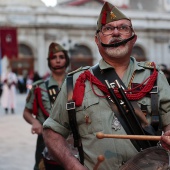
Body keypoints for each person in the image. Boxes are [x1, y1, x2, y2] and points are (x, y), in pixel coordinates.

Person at [43, 2, 170, 170]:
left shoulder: (154, 78)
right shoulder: (76, 81)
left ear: (134, 38)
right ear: (97, 40)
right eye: (108, 29)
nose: (116, 32)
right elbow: (52, 130)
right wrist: (73, 166)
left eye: (123, 28)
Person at [23, 42, 70, 170]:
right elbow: (26, 112)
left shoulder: (75, 84)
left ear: (66, 60)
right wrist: (34, 122)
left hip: (71, 140)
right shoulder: (39, 87)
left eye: (61, 57)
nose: (58, 61)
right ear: (49, 62)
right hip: (45, 140)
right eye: (54, 58)